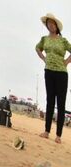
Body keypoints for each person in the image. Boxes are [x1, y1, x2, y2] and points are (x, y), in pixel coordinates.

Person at [35, 13, 71, 144]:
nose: (51, 25)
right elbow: (37, 48)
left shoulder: (63, 40)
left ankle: (59, 135)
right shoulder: (44, 39)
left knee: (60, 103)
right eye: (48, 23)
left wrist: (67, 61)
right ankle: (46, 131)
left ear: (56, 26)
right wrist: (44, 58)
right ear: (47, 25)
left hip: (61, 73)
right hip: (48, 72)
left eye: (53, 23)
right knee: (50, 101)